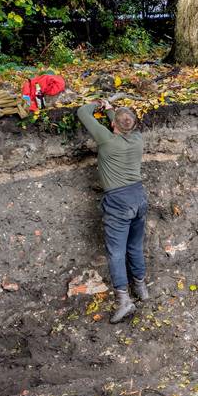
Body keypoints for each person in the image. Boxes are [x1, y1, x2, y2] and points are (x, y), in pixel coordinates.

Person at [76, 99, 150, 324]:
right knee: (135, 245)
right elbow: (122, 126)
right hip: (139, 198)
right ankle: (141, 288)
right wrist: (110, 110)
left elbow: (82, 112)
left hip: (118, 202)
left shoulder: (107, 140)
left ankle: (124, 301)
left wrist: (98, 103)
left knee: (116, 253)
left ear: (113, 126)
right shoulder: (137, 139)